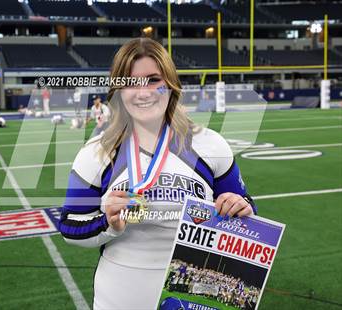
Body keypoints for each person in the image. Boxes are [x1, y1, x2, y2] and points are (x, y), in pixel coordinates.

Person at [58, 38, 256, 310]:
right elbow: (70, 226)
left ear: (171, 84)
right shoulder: (96, 152)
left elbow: (247, 208)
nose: (143, 92)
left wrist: (240, 206)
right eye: (130, 82)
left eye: (153, 80)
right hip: (122, 290)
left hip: (197, 290)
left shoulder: (210, 144)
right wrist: (108, 224)